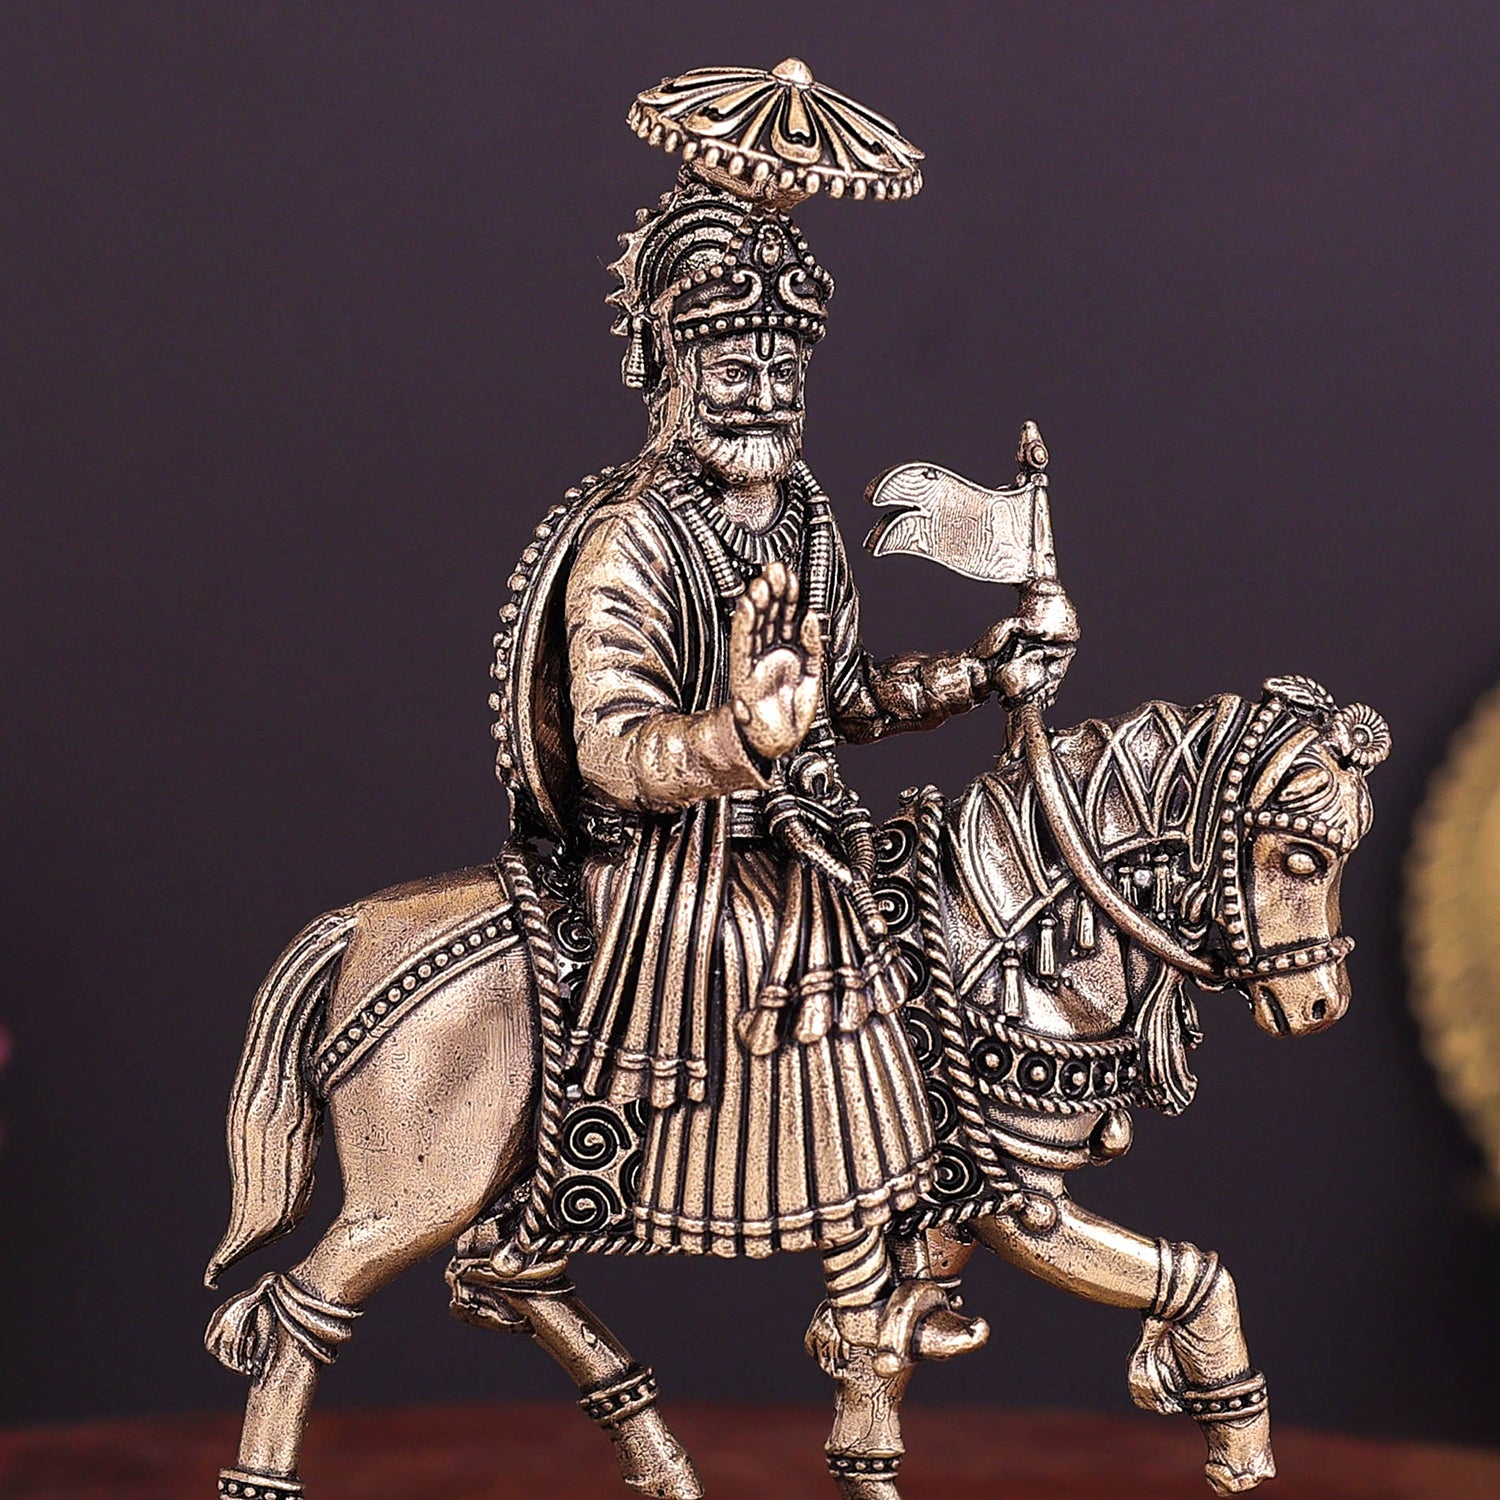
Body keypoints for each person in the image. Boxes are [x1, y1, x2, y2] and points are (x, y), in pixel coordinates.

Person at [494, 172, 1075, 1381]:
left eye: (782, 372)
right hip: (672, 857)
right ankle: (865, 1295)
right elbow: (613, 750)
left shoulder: (804, 513)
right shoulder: (634, 536)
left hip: (803, 830)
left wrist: (979, 672)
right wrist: (740, 738)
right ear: (674, 370)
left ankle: (916, 1246)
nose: (762, 397)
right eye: (733, 371)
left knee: (934, 927)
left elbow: (845, 699)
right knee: (826, 947)